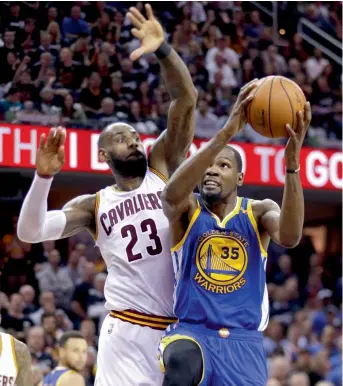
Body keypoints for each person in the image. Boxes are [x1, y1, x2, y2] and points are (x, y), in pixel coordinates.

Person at [17, 4, 197, 386]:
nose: (132, 140)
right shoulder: (94, 205)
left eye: (134, 136)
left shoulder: (162, 168)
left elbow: (186, 100)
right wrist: (43, 178)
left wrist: (163, 50)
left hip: (179, 329)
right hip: (127, 332)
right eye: (121, 137)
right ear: (103, 155)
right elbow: (30, 232)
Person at [159, 79, 312, 386]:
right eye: (209, 165)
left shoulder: (258, 212)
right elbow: (170, 196)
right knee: (180, 364)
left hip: (244, 343)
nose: (212, 170)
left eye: (224, 165)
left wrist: (292, 167)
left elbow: (291, 236)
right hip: (192, 333)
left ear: (240, 176)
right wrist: (226, 133)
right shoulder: (188, 210)